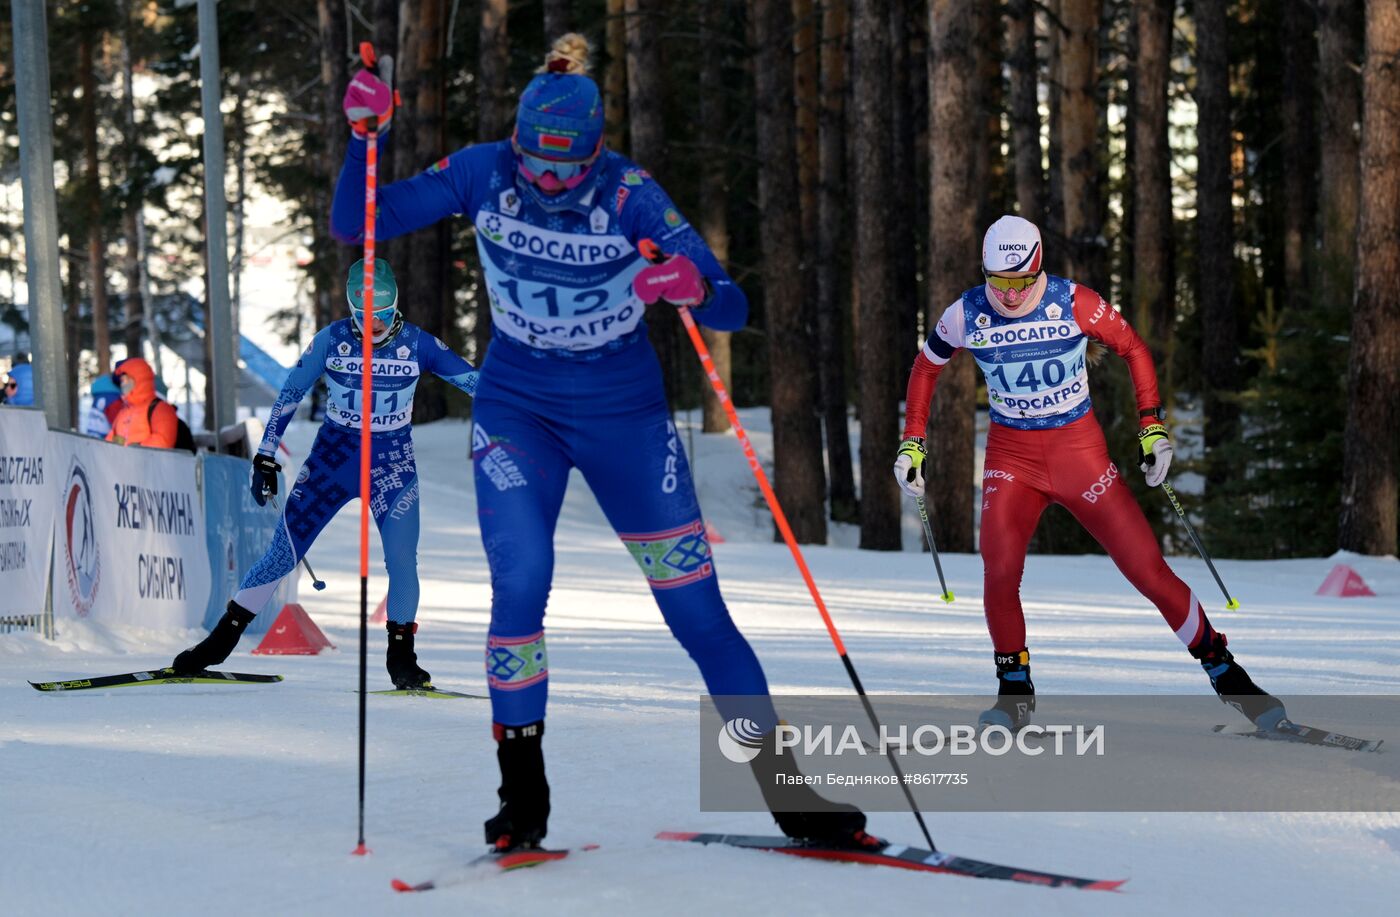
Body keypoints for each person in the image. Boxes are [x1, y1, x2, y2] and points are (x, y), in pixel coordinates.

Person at [332, 34, 874, 853]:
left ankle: (788, 790)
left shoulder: (631, 194)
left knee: (695, 609)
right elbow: (356, 224)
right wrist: (362, 139)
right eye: (537, 167)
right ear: (517, 141)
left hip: (626, 418)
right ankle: (524, 797)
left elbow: (728, 303)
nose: (549, 184)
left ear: (596, 152)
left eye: (568, 169)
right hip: (520, 409)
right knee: (522, 583)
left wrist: (691, 284)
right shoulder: (482, 171)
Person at [893, 215, 1285, 732]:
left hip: (1080, 456)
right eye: (997, 281)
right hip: (1012, 460)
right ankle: (1014, 694)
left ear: (1038, 268)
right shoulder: (967, 312)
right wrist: (913, 441)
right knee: (1000, 569)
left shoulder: (1073, 301)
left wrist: (1151, 427)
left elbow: (1134, 349)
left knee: (1147, 571)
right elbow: (926, 367)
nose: (1007, 295)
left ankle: (1226, 672)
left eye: (1019, 281)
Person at [171, 259, 480, 689]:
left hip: (390, 465)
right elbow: (291, 392)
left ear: (396, 308)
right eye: (364, 317)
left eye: (383, 316)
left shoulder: (419, 343)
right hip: (333, 460)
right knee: (282, 554)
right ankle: (217, 645)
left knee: (403, 562)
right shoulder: (332, 340)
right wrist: (264, 455)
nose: (373, 326)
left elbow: (477, 385)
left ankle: (402, 659)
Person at [106, 358, 179, 448]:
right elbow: (113, 438)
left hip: (149, 461)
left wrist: (135, 449)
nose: (122, 384)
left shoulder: (161, 409)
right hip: (122, 461)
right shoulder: (124, 411)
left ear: (137, 379)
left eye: (125, 380)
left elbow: (163, 441)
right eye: (122, 381)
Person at [83, 374, 123, 438]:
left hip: (92, 437)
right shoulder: (113, 400)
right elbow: (117, 424)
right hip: (105, 440)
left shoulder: (98, 397)